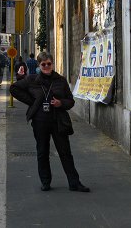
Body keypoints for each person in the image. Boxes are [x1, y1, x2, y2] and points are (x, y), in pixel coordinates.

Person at [9, 51, 90, 192]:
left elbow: (71, 101)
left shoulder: (61, 80)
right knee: (42, 151)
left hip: (58, 120)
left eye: (49, 64)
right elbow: (14, 88)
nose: (46, 66)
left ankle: (74, 182)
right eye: (43, 64)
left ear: (52, 64)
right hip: (40, 121)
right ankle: (45, 182)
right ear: (39, 66)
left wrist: (61, 103)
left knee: (65, 152)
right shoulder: (32, 79)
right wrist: (33, 102)